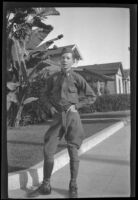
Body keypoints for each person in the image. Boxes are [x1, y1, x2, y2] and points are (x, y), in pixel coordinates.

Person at [28, 47, 97, 198]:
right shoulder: (52, 78)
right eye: (63, 58)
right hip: (57, 117)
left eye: (68, 58)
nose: (65, 60)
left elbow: (91, 96)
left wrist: (77, 106)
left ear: (73, 61)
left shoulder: (78, 78)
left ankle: (73, 185)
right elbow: (44, 94)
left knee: (73, 152)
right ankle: (46, 184)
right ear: (60, 60)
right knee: (48, 150)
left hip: (72, 117)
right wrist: (50, 108)